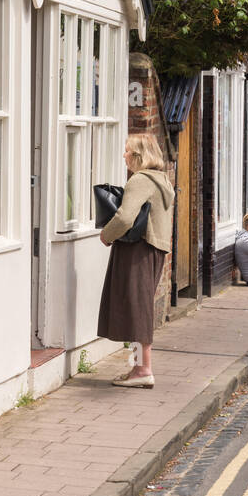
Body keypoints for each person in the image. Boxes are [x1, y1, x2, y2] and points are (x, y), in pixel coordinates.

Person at [98, 133, 175, 389]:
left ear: (139, 155)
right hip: (154, 250)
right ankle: (137, 368)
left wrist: (106, 235)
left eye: (127, 151)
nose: (124, 155)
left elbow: (124, 217)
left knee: (137, 310)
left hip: (138, 251)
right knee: (137, 308)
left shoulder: (140, 180)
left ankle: (143, 369)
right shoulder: (161, 178)